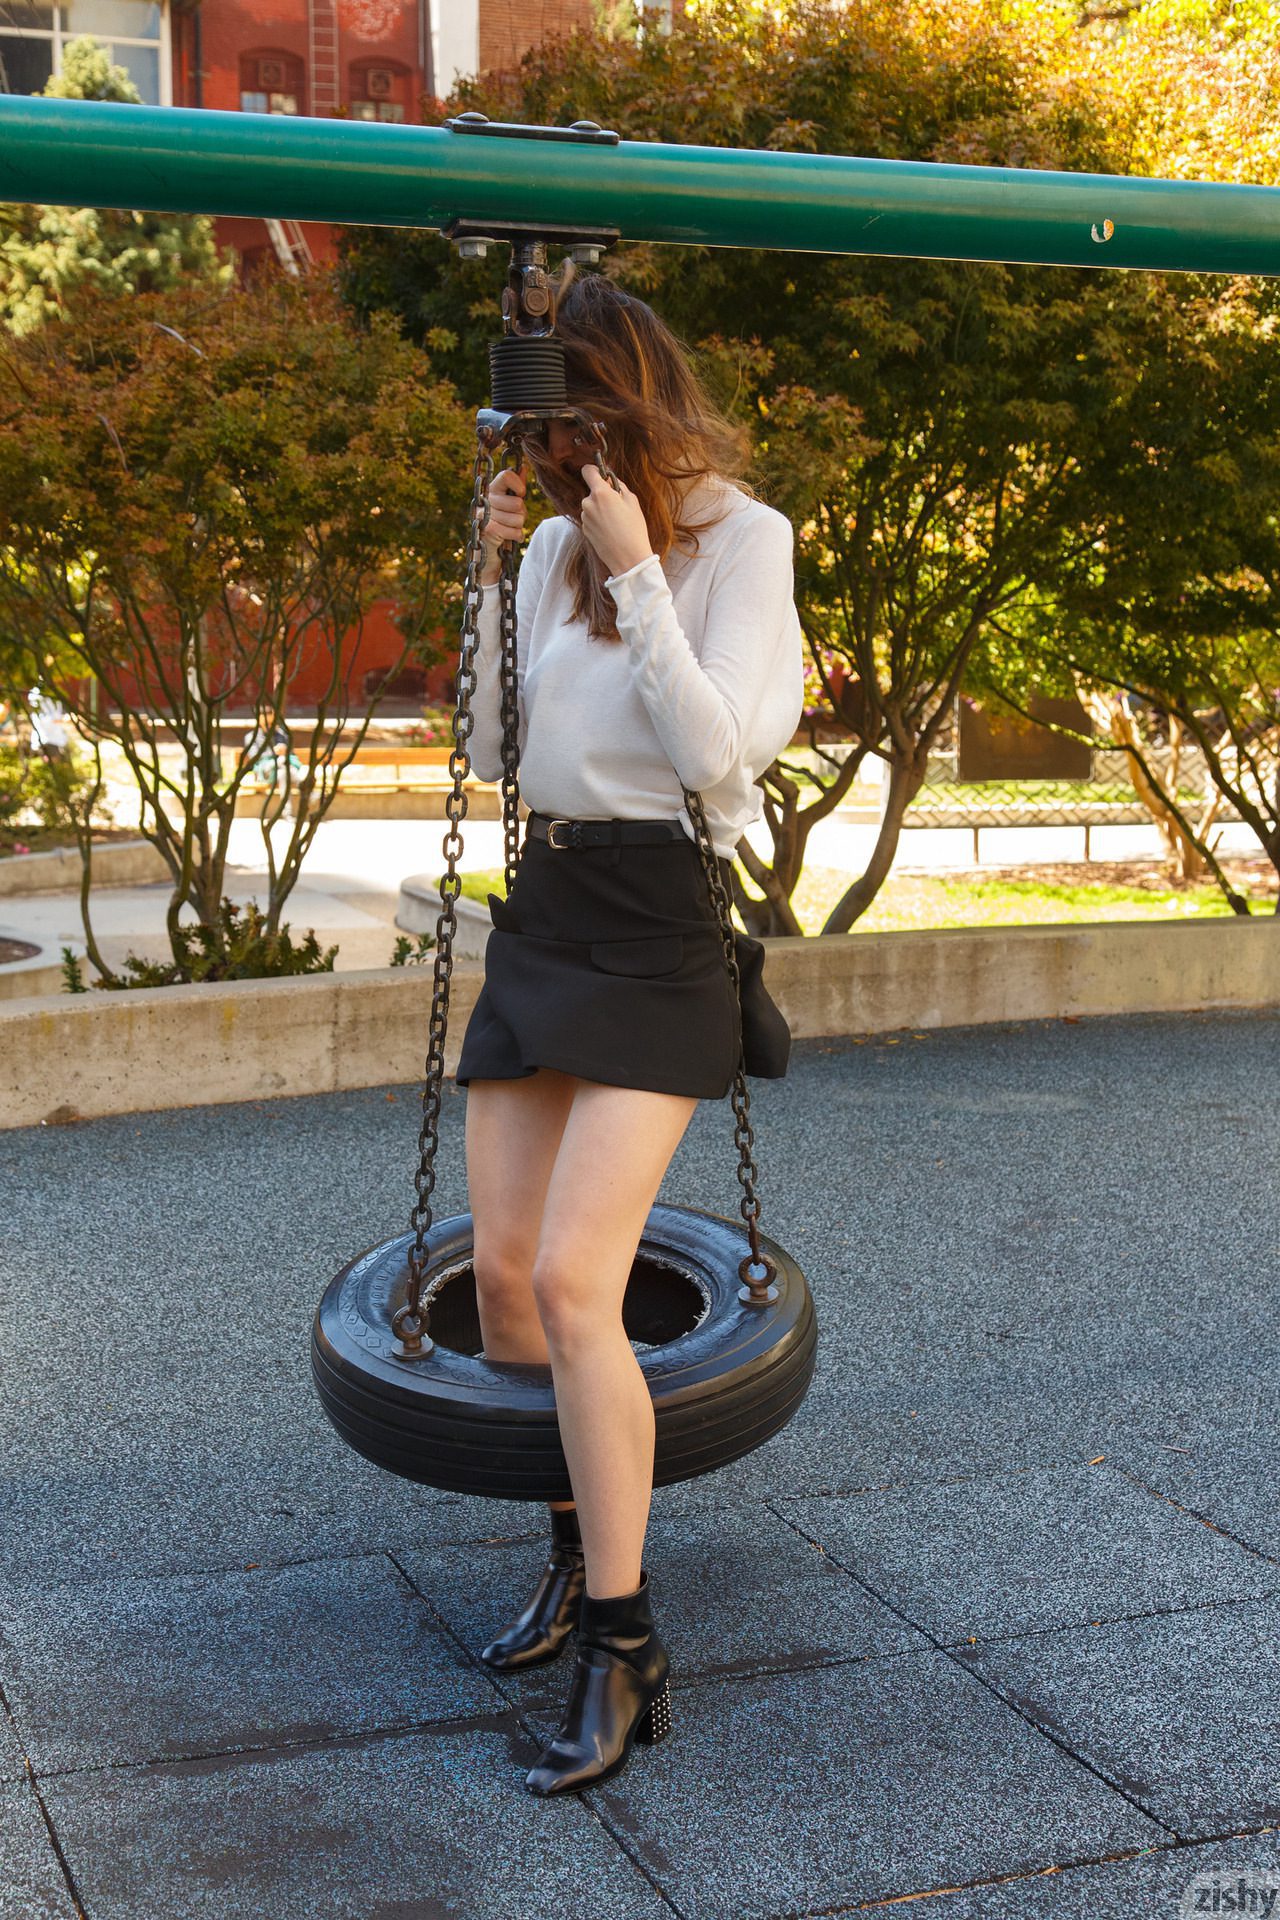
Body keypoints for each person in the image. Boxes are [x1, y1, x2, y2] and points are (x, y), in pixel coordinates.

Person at [453, 270, 805, 1796]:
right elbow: (493, 753)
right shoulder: (547, 547)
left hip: (661, 928)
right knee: (507, 1284)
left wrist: (642, 576)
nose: (549, 463)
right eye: (534, 442)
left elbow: (721, 762)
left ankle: (626, 1640)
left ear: (625, 411)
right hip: (548, 911)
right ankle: (571, 1550)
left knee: (580, 1284)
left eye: (565, 433)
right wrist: (492, 580)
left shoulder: (745, 541)